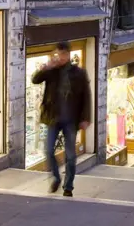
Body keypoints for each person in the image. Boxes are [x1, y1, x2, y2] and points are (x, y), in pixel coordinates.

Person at [32, 42, 92, 197]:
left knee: (71, 156)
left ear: (69, 55)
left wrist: (86, 118)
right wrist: (46, 67)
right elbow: (35, 80)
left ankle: (68, 187)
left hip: (71, 121)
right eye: (59, 54)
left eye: (64, 54)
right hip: (54, 118)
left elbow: (87, 96)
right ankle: (56, 178)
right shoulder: (52, 71)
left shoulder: (79, 73)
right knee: (49, 150)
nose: (61, 57)